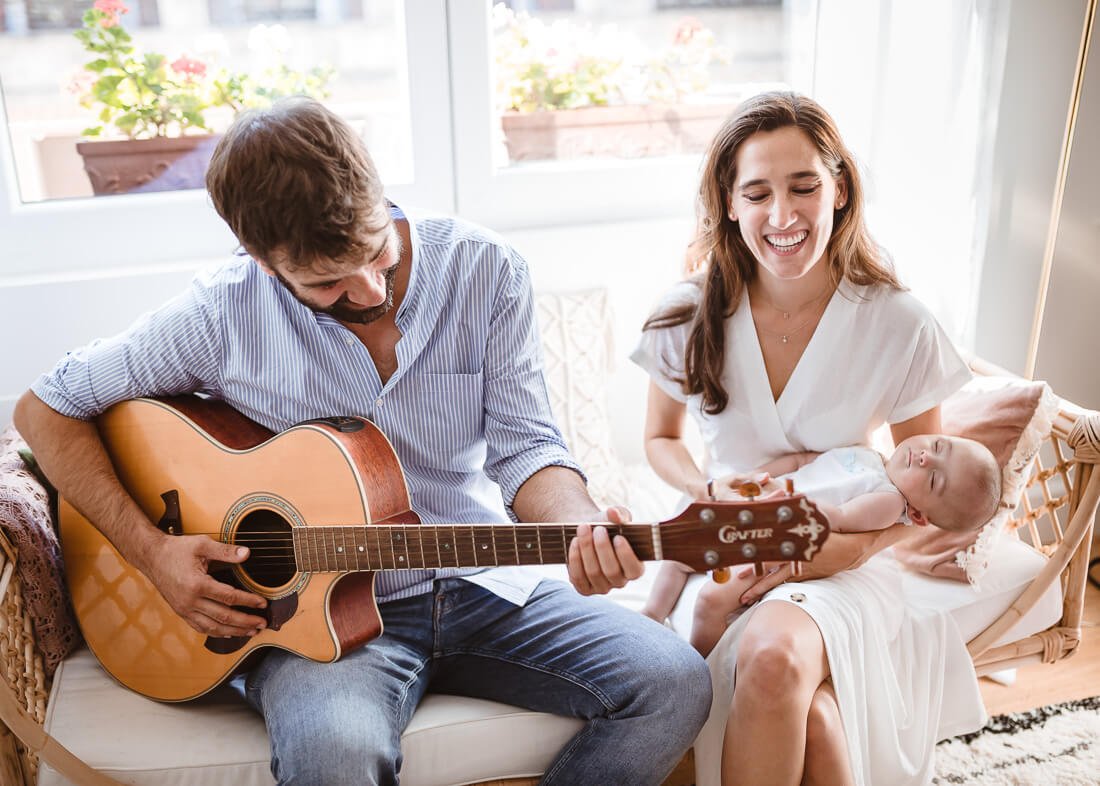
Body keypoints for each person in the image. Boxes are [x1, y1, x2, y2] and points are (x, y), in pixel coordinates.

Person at [13, 97, 711, 786]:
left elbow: (527, 448)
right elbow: (46, 410)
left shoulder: (486, 271)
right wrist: (154, 552)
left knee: (675, 682)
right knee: (333, 758)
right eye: (326, 282)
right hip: (317, 620)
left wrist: (581, 525)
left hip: (481, 583)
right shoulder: (219, 314)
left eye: (378, 251)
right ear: (260, 259)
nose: (372, 288)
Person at [631, 91, 985, 786]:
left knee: (774, 660)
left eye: (804, 187)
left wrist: (826, 550)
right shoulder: (685, 314)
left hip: (849, 565)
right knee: (815, 722)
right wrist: (708, 488)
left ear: (840, 190)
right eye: (757, 192)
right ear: (729, 204)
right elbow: (659, 440)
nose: (783, 216)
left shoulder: (898, 322)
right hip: (724, 543)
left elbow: (919, 500)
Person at [643, 435, 1002, 656]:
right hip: (760, 505)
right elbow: (803, 461)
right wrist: (765, 476)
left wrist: (781, 504)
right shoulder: (867, 454)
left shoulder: (889, 502)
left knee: (711, 600)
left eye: (934, 478)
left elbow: (838, 518)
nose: (925, 458)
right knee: (678, 556)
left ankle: (698, 664)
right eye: (938, 446)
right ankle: (653, 615)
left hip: (776, 540)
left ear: (920, 516)